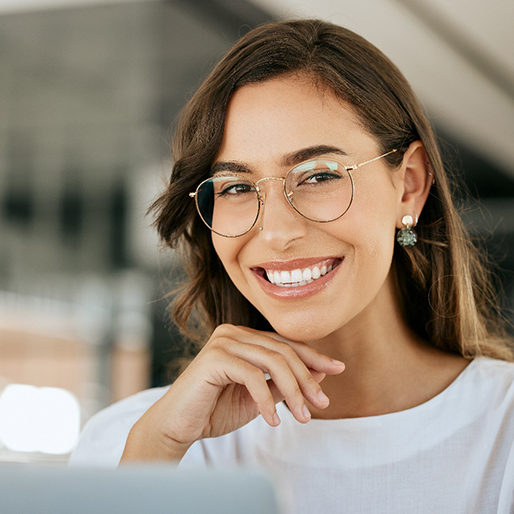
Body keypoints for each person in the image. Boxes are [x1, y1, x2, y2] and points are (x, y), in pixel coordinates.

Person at [70, 19, 514, 513]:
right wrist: (154, 453)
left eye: (318, 175)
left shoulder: (503, 431)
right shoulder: (139, 442)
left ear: (408, 185)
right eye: (237, 187)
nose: (277, 232)